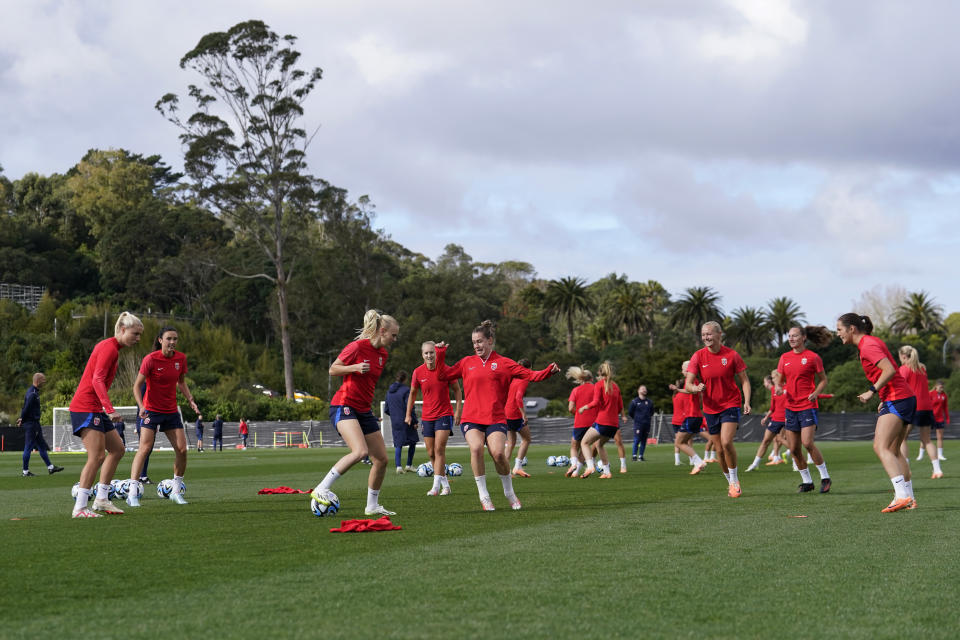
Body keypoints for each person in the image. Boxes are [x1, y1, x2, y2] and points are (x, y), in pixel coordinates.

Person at [436, 320, 559, 510]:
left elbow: (531, 375)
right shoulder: (466, 362)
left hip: (495, 418)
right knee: (476, 448)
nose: (476, 345)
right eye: (474, 342)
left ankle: (509, 492)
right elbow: (443, 375)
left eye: (480, 341)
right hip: (471, 417)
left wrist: (548, 371)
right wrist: (440, 354)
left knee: (499, 454)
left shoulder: (504, 363)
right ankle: (484, 496)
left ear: (490, 340)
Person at [311, 310, 400, 516]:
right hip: (343, 405)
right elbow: (333, 369)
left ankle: (372, 506)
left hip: (363, 410)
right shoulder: (357, 347)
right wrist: (355, 367)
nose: (395, 339)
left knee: (382, 459)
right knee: (360, 452)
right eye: (393, 335)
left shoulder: (383, 355)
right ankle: (322, 488)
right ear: (383, 331)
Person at [836, 313, 916, 512]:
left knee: (880, 447)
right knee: (895, 450)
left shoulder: (868, 346)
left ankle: (902, 496)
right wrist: (883, 396)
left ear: (851, 329)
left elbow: (889, 370)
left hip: (898, 398)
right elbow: (891, 370)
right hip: (901, 397)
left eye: (839, 330)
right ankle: (909, 498)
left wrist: (872, 391)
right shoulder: (872, 341)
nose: (838, 334)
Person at [68, 311, 143, 518]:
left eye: (139, 335)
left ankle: (101, 500)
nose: (137, 339)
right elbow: (97, 381)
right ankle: (80, 508)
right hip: (86, 407)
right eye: (135, 334)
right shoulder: (109, 348)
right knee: (97, 456)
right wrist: (109, 409)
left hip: (94, 407)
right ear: (122, 329)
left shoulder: (112, 348)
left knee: (117, 449)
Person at [127, 326, 201, 507]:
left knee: (183, 450)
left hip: (171, 412)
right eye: (169, 338)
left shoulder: (180, 359)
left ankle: (176, 491)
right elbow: (136, 386)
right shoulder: (150, 359)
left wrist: (190, 399)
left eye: (175, 339)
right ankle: (132, 493)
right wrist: (141, 406)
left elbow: (181, 382)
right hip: (151, 410)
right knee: (144, 449)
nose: (172, 342)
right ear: (160, 340)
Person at [685, 321, 751, 498]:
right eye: (703, 335)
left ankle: (735, 481)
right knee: (719, 449)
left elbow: (744, 380)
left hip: (730, 404)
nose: (706, 337)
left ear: (719, 334)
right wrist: (696, 388)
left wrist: (747, 401)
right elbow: (688, 383)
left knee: (726, 442)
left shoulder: (732, 355)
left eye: (709, 334)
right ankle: (730, 482)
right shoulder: (698, 356)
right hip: (710, 408)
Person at [778, 325, 833, 493]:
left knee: (807, 443)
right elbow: (779, 381)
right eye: (789, 336)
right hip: (790, 407)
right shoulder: (784, 357)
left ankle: (825, 477)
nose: (791, 339)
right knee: (794, 448)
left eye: (794, 336)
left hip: (808, 406)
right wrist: (779, 388)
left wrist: (816, 392)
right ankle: (807, 481)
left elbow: (823, 380)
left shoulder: (813, 357)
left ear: (803, 338)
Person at [407, 341, 463, 496]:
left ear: (436, 353)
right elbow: (412, 394)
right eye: (426, 353)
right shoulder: (417, 372)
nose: (429, 355)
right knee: (431, 452)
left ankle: (435, 487)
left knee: (439, 449)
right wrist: (407, 414)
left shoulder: (446, 369)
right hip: (427, 417)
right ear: (422, 355)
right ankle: (446, 485)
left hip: (444, 414)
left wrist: (458, 411)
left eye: (432, 352)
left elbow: (457, 391)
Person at [897, 346, 941, 479]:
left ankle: (906, 470)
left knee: (902, 438)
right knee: (927, 440)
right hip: (926, 407)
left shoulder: (904, 369)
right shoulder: (922, 369)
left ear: (904, 356)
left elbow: (900, 388)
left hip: (912, 407)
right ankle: (937, 470)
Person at [577, 361, 626, 479]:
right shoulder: (615, 386)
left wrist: (584, 407)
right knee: (599, 444)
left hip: (603, 422)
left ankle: (590, 466)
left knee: (584, 442)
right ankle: (607, 472)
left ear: (599, 373)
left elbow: (596, 402)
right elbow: (620, 406)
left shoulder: (599, 385)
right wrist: (623, 415)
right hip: (614, 425)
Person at [17, 372, 64, 477]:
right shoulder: (32, 393)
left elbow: (26, 408)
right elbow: (26, 408)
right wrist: (22, 419)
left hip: (35, 424)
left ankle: (51, 468)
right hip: (31, 424)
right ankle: (25, 472)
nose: (45, 382)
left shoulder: (34, 392)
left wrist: (22, 418)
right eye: (43, 380)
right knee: (28, 447)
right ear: (38, 381)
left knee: (42, 446)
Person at [672, 361, 707, 474]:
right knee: (684, 441)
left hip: (692, 416)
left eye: (683, 369)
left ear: (688, 369)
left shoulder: (690, 379)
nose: (682, 371)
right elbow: (690, 391)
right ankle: (697, 464)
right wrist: (678, 390)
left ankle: (698, 462)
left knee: (679, 443)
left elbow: (691, 390)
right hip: (697, 416)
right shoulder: (695, 380)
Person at [746, 373, 787, 471]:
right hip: (775, 419)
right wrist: (766, 418)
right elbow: (772, 407)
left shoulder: (788, 387)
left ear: (779, 376)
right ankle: (755, 464)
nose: (772, 380)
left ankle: (796, 462)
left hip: (787, 419)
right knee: (766, 441)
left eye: (773, 377)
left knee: (785, 441)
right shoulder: (773, 389)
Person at [565, 366, 597, 477]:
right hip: (593, 422)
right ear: (591, 379)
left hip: (580, 422)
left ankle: (573, 465)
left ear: (581, 379)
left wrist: (577, 413)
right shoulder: (596, 389)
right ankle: (577, 471)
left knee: (574, 446)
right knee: (586, 445)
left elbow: (570, 408)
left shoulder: (576, 390)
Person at [384, 370, 418, 474]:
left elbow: (386, 409)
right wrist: (415, 421)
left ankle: (398, 467)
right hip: (407, 420)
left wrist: (395, 416)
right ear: (405, 379)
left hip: (395, 421)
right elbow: (410, 406)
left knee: (398, 444)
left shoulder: (389, 392)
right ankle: (408, 465)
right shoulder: (406, 390)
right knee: (413, 441)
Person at [505, 358, 534, 478]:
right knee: (527, 439)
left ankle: (505, 471)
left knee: (511, 443)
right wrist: (523, 414)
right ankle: (517, 467)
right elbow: (518, 398)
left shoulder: (514, 378)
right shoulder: (524, 378)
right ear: (530, 368)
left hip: (506, 412)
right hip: (514, 413)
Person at [627, 385, 655, 462]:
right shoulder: (634, 401)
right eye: (642, 389)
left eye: (645, 389)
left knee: (644, 440)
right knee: (637, 440)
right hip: (638, 424)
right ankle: (634, 456)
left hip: (647, 424)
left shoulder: (649, 402)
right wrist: (637, 419)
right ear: (638, 391)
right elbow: (630, 412)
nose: (644, 390)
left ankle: (641, 456)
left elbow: (652, 412)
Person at [927, 380, 949, 462]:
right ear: (936, 386)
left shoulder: (944, 396)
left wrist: (947, 418)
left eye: (942, 387)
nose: (941, 389)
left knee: (940, 437)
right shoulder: (930, 393)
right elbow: (927, 404)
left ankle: (940, 455)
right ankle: (921, 454)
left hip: (940, 418)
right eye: (940, 387)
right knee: (926, 437)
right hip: (931, 417)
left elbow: (945, 408)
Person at [669, 379, 686, 465]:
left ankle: (677, 460)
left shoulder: (674, 395)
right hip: (683, 420)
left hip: (675, 420)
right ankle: (692, 460)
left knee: (677, 441)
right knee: (688, 440)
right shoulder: (684, 395)